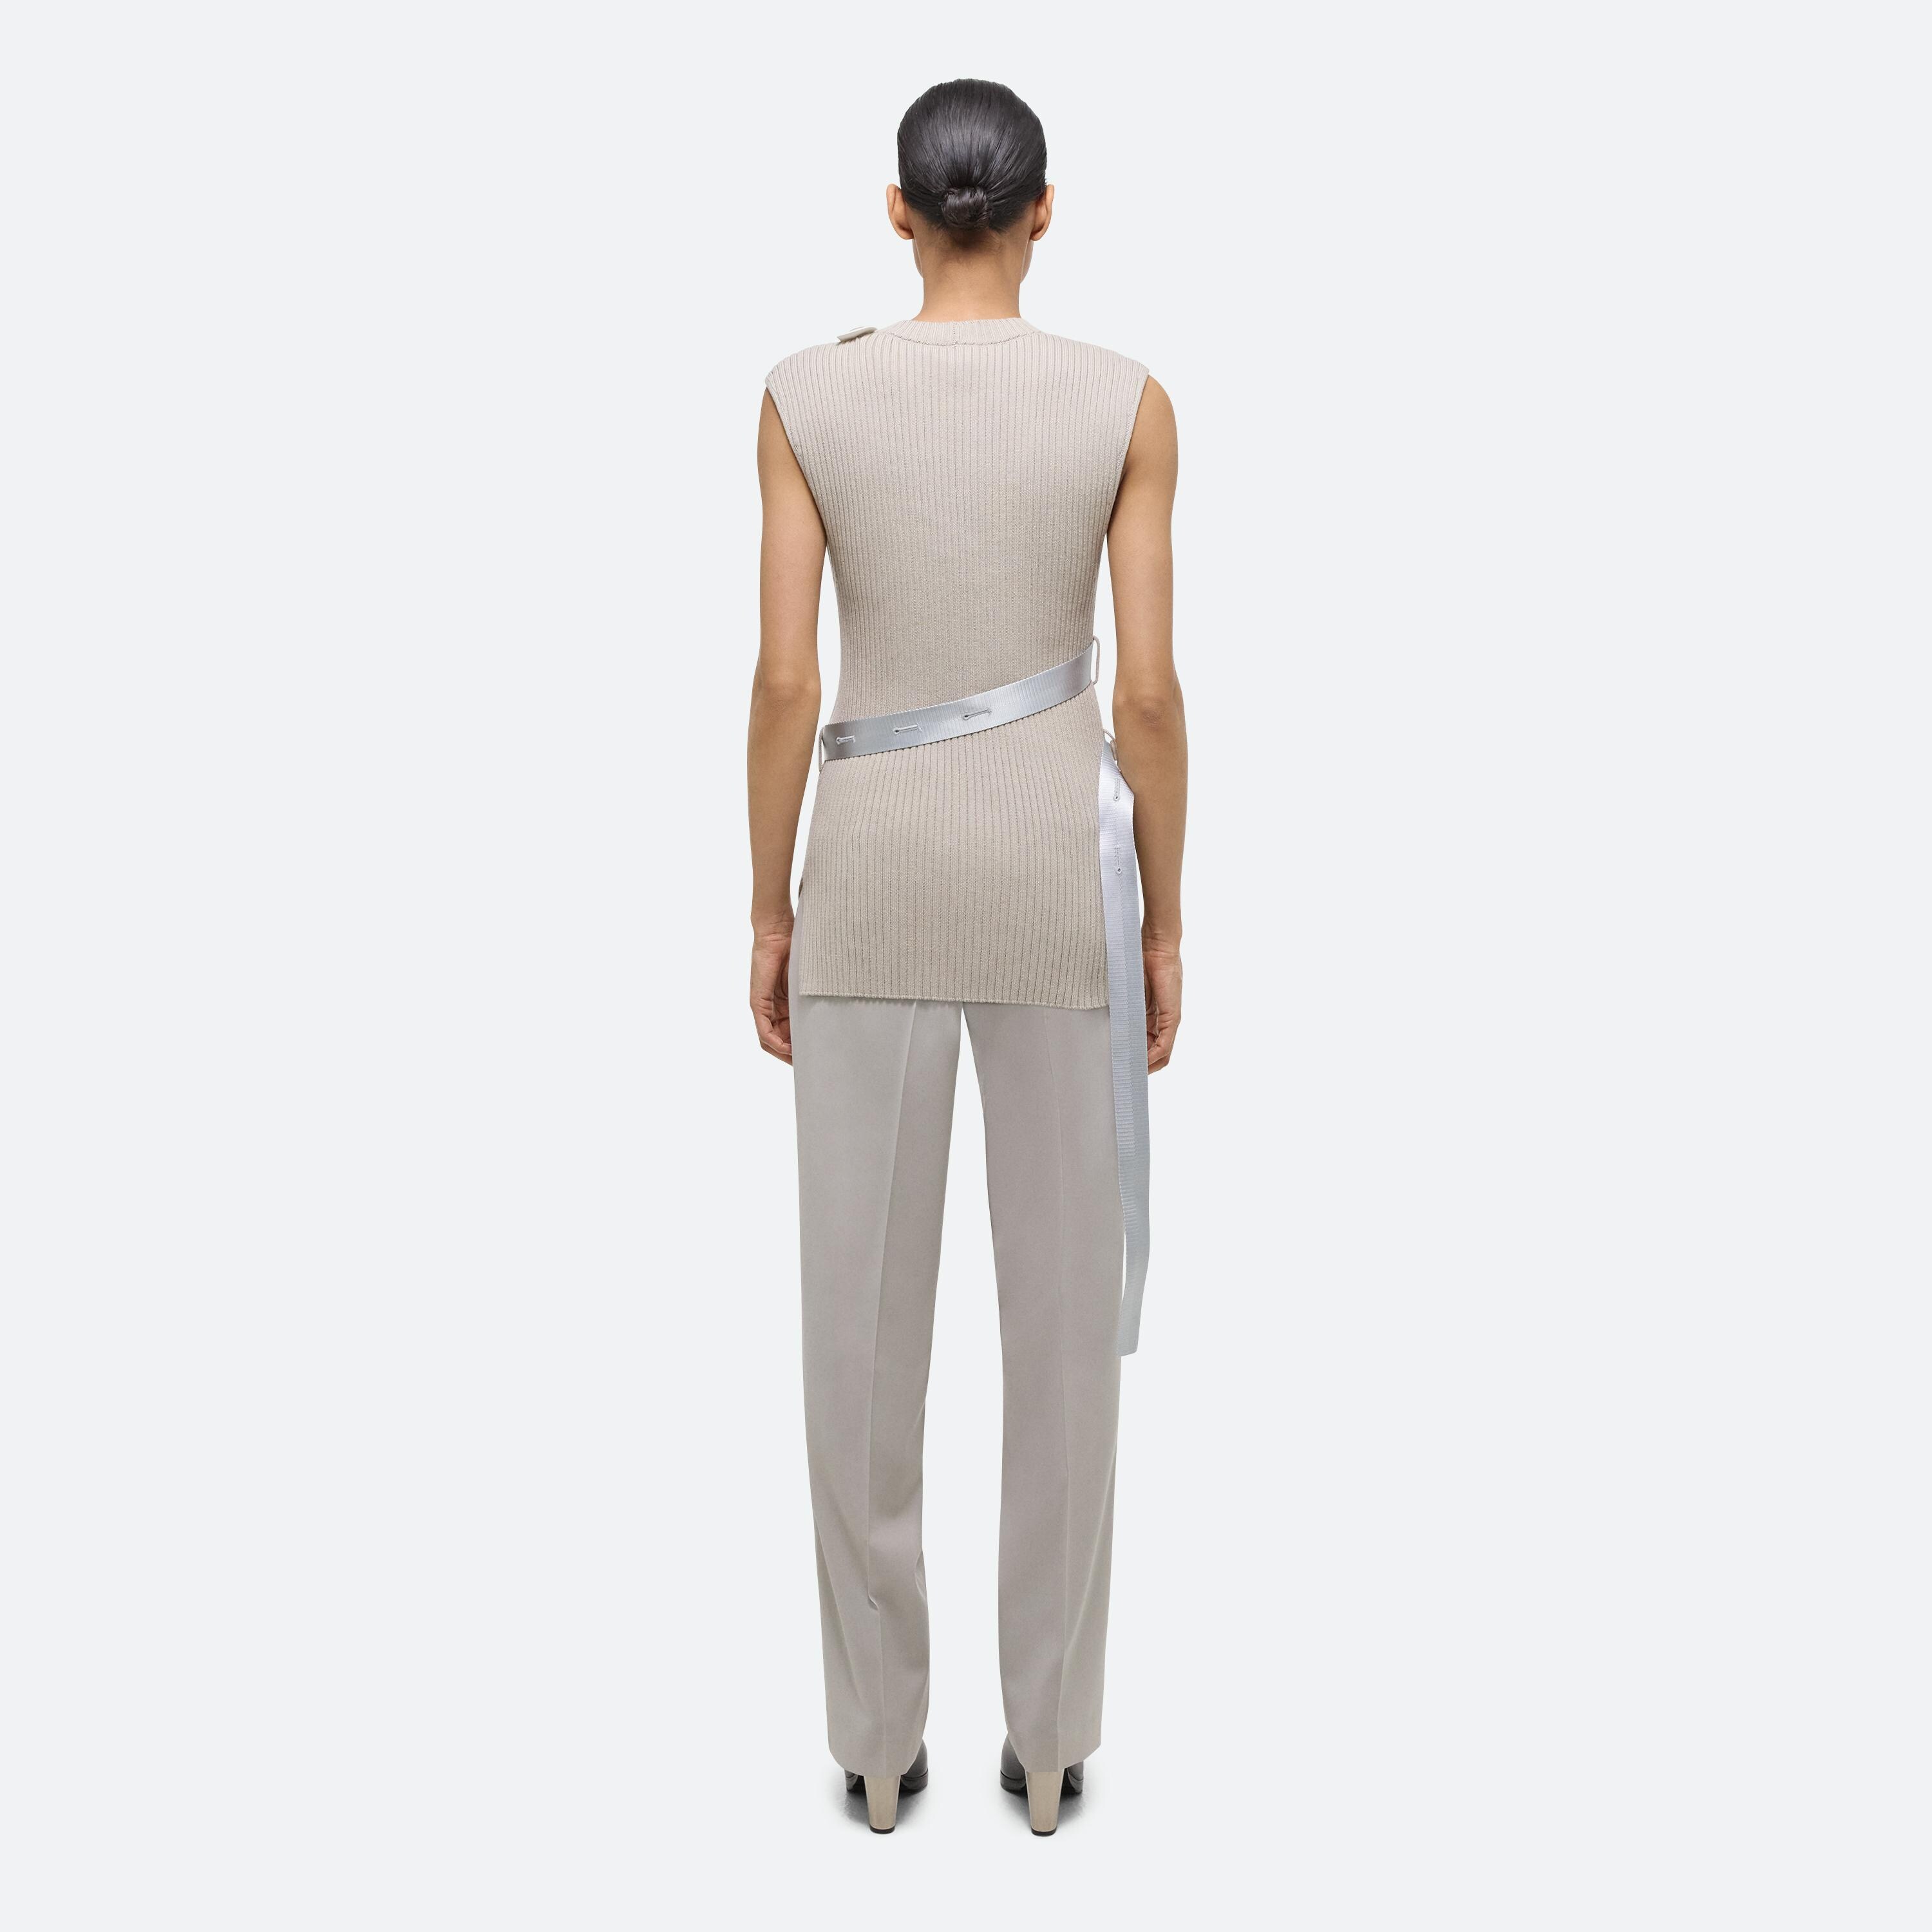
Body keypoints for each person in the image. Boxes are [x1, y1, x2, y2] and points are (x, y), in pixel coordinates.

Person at [745, 77, 1186, 1837]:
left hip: (869, 876)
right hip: (1055, 881)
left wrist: (767, 905)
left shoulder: (806, 397)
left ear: (897, 210)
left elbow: (789, 680)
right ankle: (1054, 1746)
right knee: (1064, 1333)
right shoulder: (1126, 403)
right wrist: (1167, 916)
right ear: (1046, 209)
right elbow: (1148, 696)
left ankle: (874, 1750)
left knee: (857, 1335)